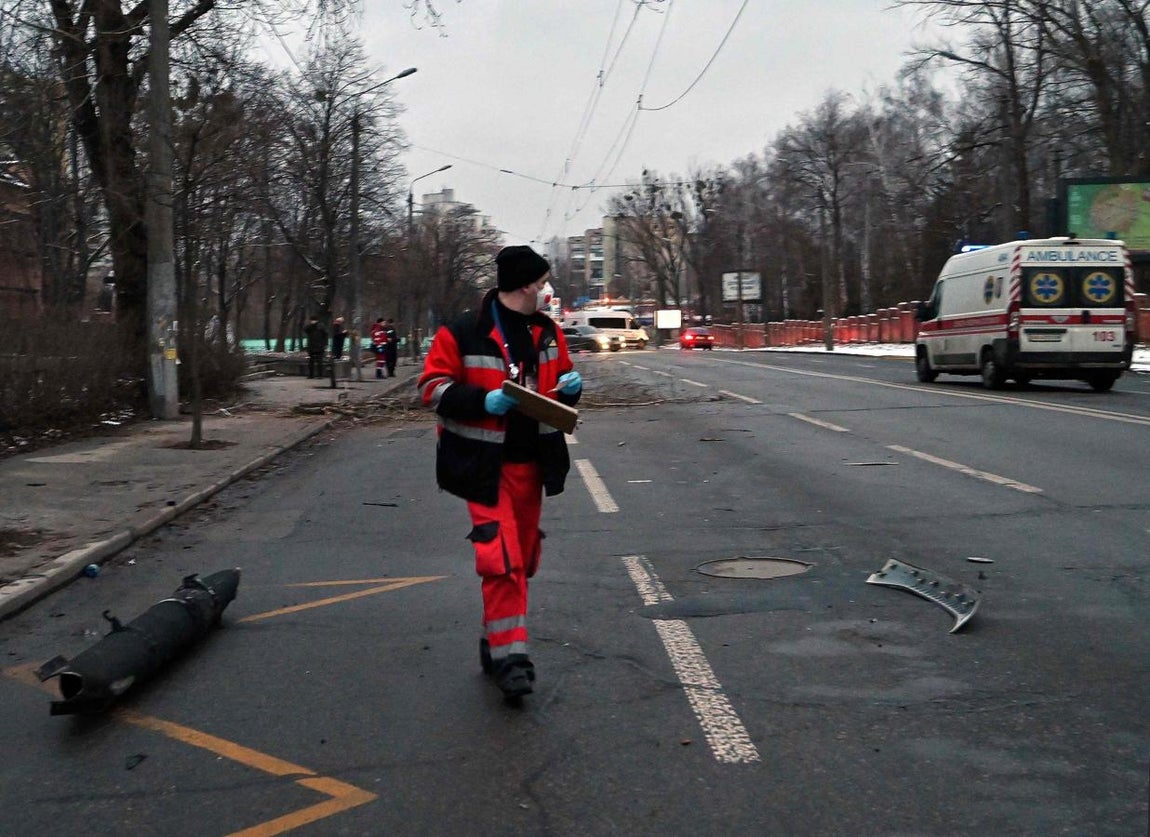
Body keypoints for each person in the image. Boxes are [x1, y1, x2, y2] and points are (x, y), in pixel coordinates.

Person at [418, 245, 582, 701]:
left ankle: (495, 639)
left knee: (523, 559)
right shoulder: (464, 332)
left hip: (533, 464)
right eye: (544, 282)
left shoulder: (547, 332)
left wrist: (572, 389)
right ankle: (513, 659)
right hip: (484, 466)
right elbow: (431, 388)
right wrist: (482, 402)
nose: (548, 290)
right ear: (526, 284)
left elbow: (560, 383)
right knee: (502, 559)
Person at [303, 315, 328, 379]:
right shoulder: (310, 327)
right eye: (311, 320)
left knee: (319, 361)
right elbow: (305, 329)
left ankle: (320, 375)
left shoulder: (321, 326)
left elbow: (325, 335)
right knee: (311, 361)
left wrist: (325, 344)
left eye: (313, 320)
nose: (312, 322)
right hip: (312, 346)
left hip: (319, 346)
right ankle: (311, 375)